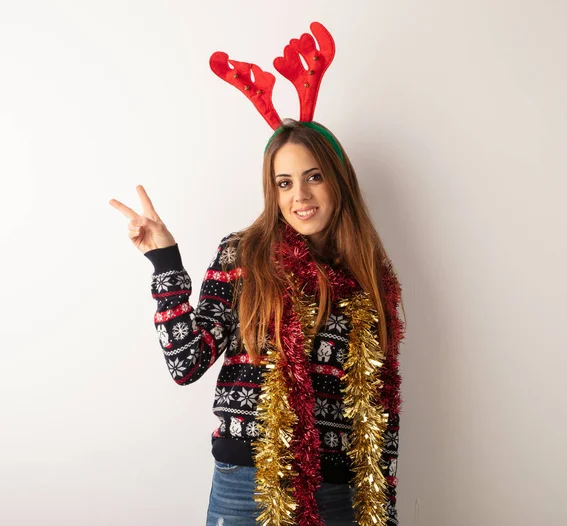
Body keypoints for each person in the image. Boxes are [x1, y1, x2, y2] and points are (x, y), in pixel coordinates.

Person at [109, 22, 406, 526]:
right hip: (249, 487)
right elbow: (186, 362)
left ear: (338, 181)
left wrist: (385, 506)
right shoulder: (243, 254)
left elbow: (381, 412)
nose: (300, 196)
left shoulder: (369, 276)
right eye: (284, 182)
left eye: (314, 177)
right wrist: (165, 263)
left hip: (346, 493)